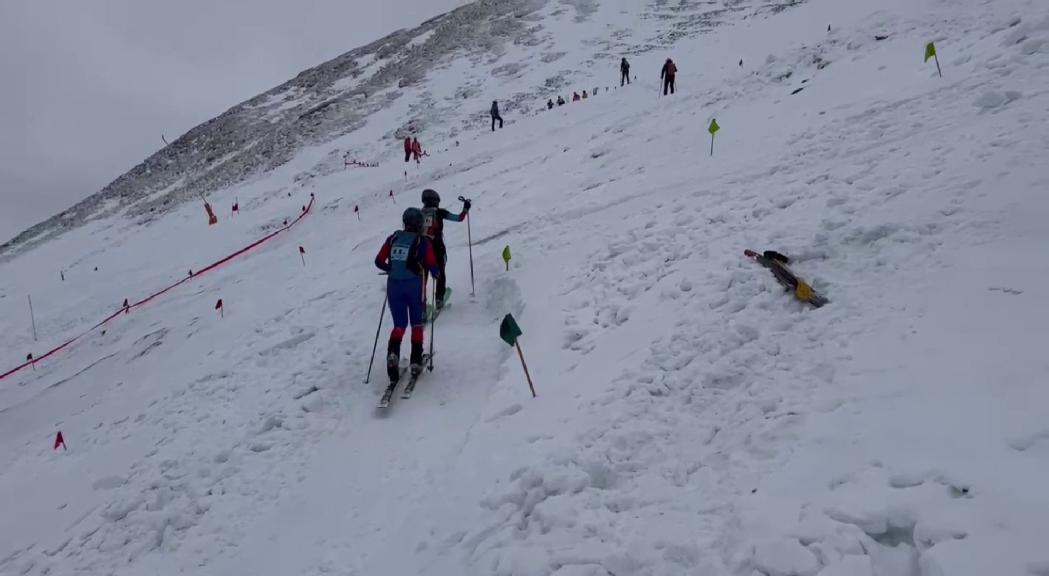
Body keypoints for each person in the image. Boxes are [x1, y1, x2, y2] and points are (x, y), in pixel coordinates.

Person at [375, 207, 441, 381]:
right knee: (417, 323)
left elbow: (379, 261)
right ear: (419, 224)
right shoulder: (422, 241)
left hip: (393, 286)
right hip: (414, 285)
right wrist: (436, 274)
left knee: (399, 324)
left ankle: (392, 355)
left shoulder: (393, 238)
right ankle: (415, 361)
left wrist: (390, 268)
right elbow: (433, 266)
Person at [420, 189, 470, 309]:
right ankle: (439, 299)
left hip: (421, 248)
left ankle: (421, 305)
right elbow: (459, 218)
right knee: (440, 273)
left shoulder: (418, 214)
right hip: (437, 247)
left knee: (423, 275)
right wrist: (466, 208)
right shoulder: (439, 212)